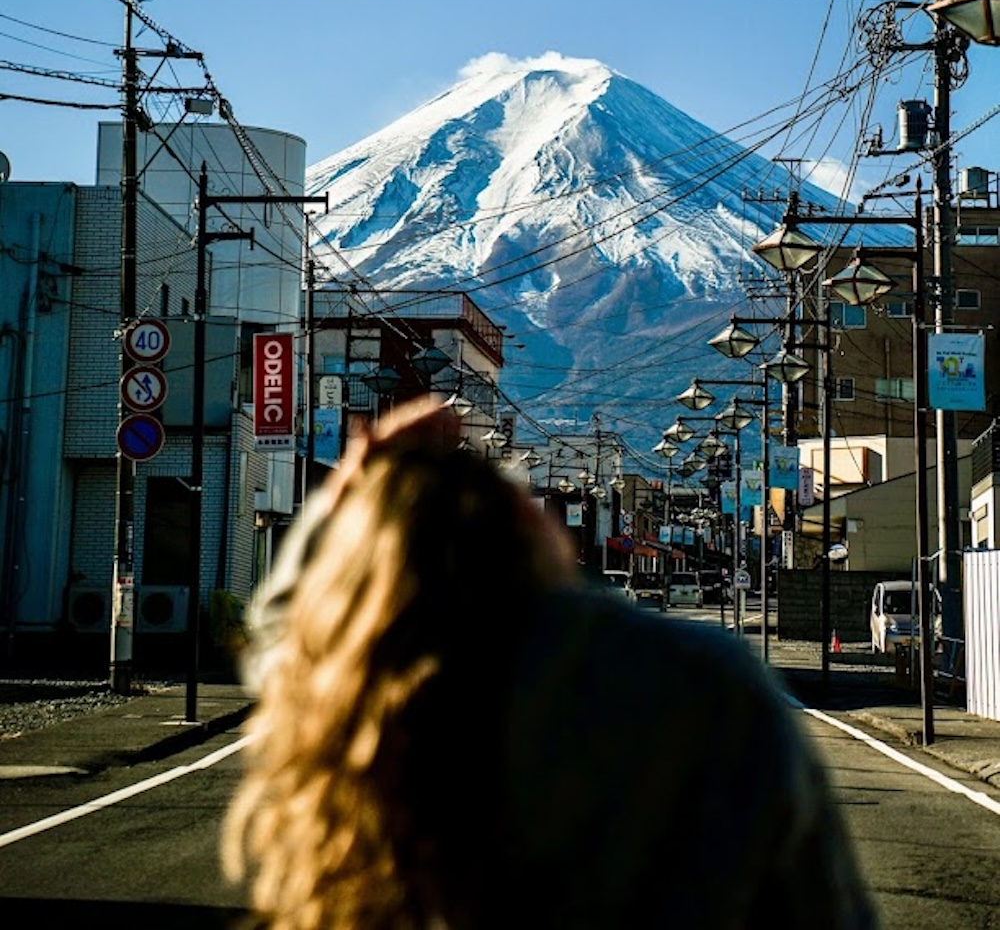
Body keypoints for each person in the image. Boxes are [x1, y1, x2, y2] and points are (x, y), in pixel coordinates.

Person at [224, 396, 878, 930]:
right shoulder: (702, 687)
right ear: (528, 526)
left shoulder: (345, 687)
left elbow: (282, 630)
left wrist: (352, 485)